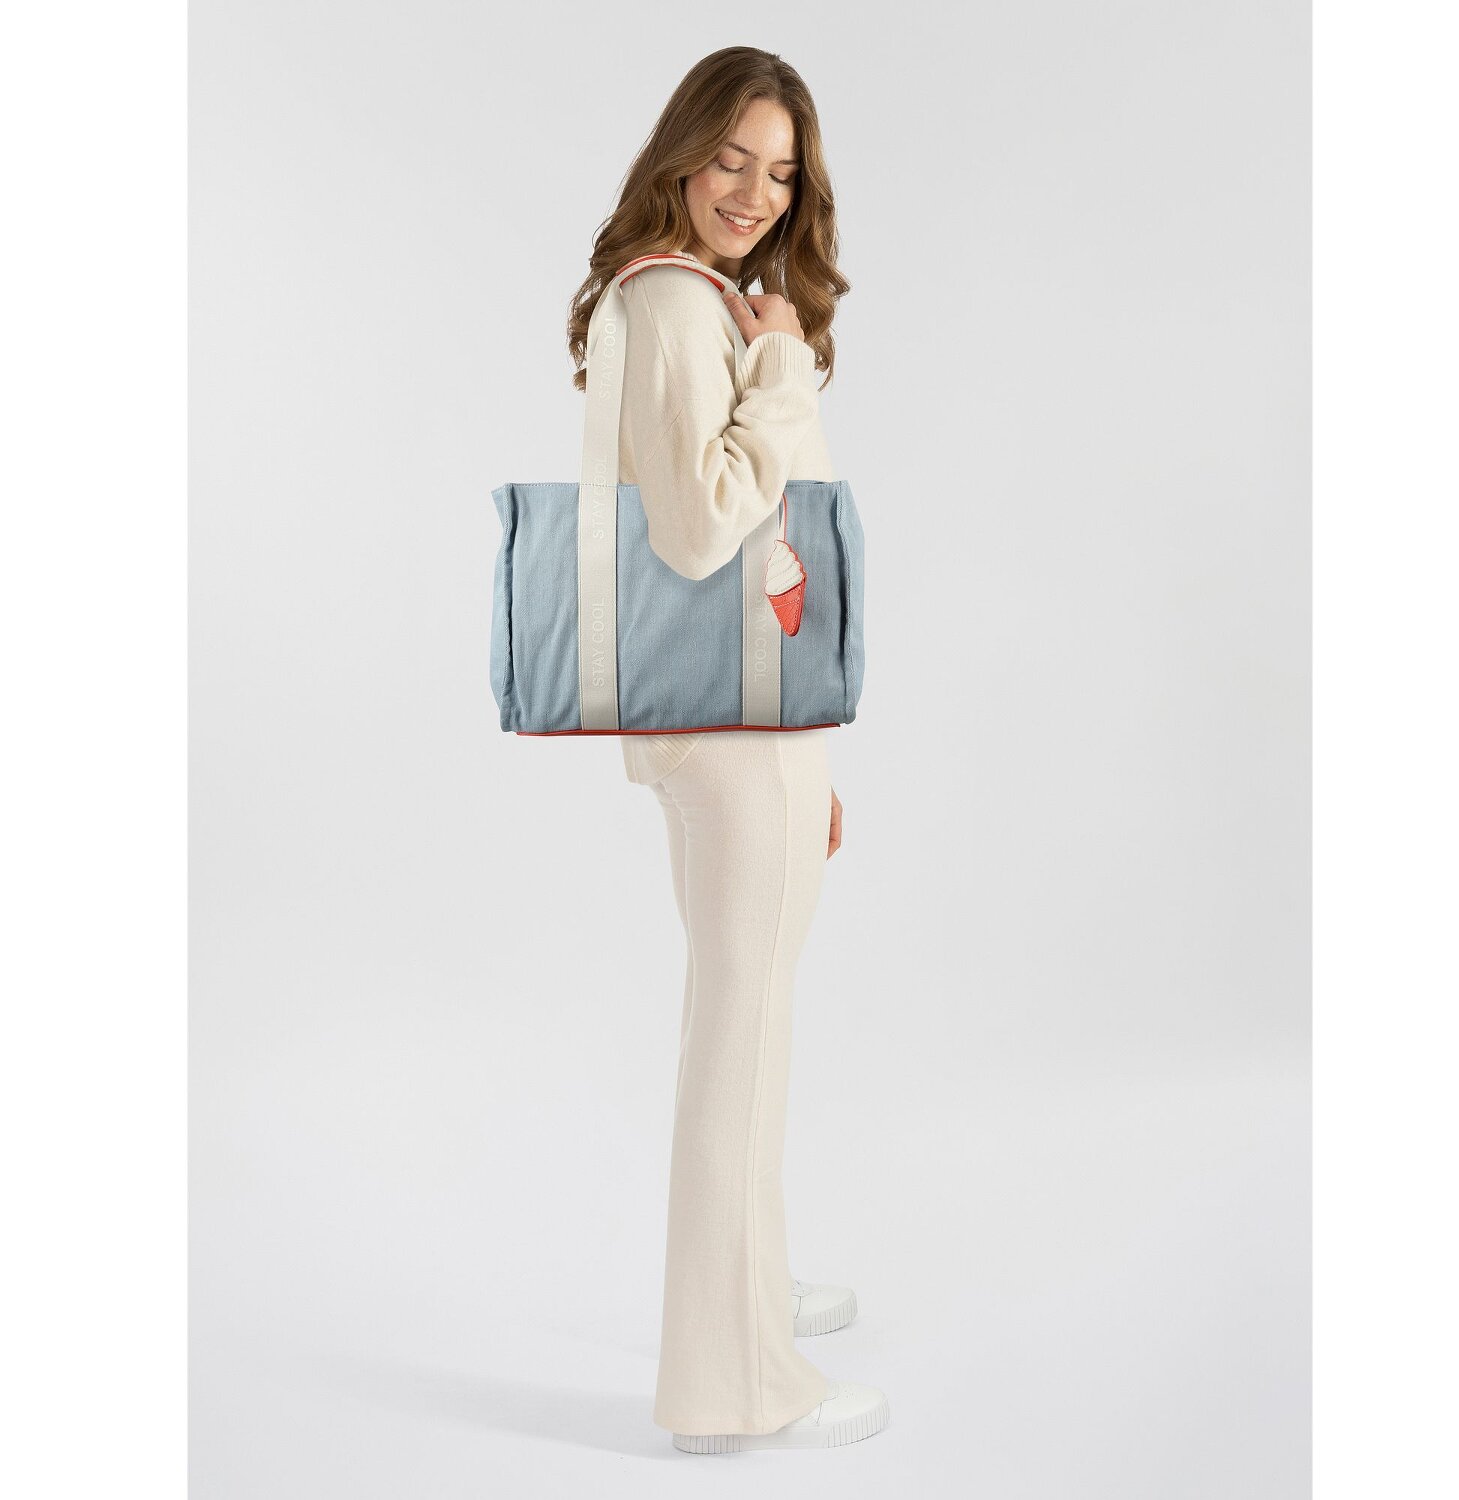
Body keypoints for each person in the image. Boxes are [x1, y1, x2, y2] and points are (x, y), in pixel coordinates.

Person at [564, 48, 890, 1454]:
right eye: (733, 159)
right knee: (738, 1045)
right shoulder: (678, 304)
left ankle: (745, 1287)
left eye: (783, 172)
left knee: (743, 1030)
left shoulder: (677, 295)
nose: (756, 192)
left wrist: (803, 755)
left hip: (735, 720)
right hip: (727, 733)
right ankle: (734, 1387)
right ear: (683, 152)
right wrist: (781, 372)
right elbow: (703, 531)